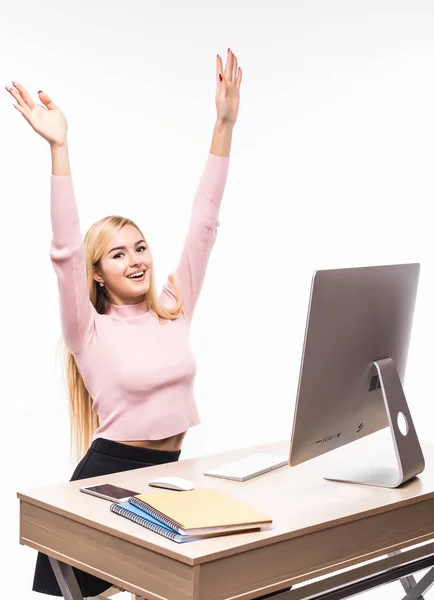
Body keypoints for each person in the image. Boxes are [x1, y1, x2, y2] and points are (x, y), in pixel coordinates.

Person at [6, 48, 242, 598]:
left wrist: (224, 124)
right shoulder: (86, 329)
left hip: (169, 477)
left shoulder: (172, 308)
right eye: (117, 254)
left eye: (139, 247)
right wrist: (59, 147)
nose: (135, 259)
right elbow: (65, 248)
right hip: (107, 483)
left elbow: (203, 224)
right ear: (97, 273)